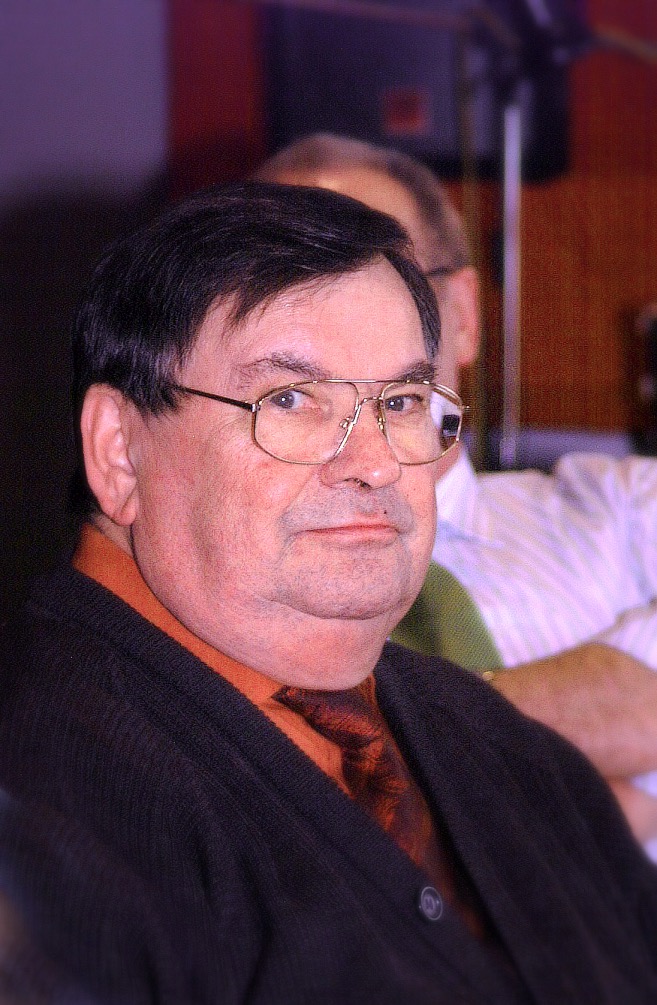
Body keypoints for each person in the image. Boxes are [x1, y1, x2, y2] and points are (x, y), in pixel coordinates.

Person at [1, 182, 657, 1004]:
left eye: (402, 401)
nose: (375, 462)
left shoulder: (491, 739)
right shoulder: (42, 799)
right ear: (119, 452)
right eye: (290, 400)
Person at [254, 133, 657, 858]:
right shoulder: (221, 586)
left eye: (383, 273)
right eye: (281, 285)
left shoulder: (620, 505)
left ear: (463, 314)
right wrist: (601, 748)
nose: (329, 323)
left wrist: (400, 739)